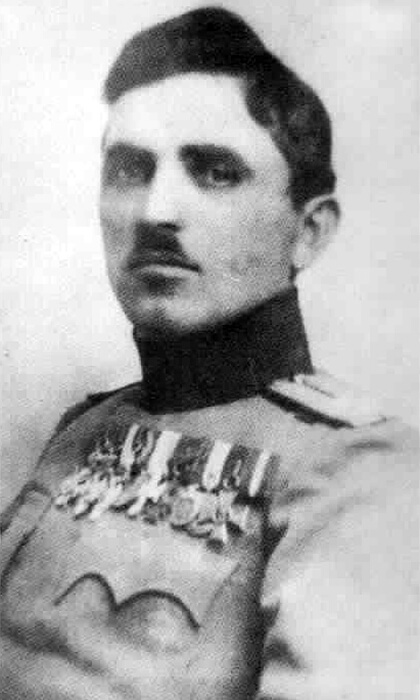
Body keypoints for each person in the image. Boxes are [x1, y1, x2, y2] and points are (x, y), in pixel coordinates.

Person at [1, 7, 418, 700]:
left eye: (216, 172)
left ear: (309, 232)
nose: (155, 211)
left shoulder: (362, 472)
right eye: (129, 169)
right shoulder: (85, 430)